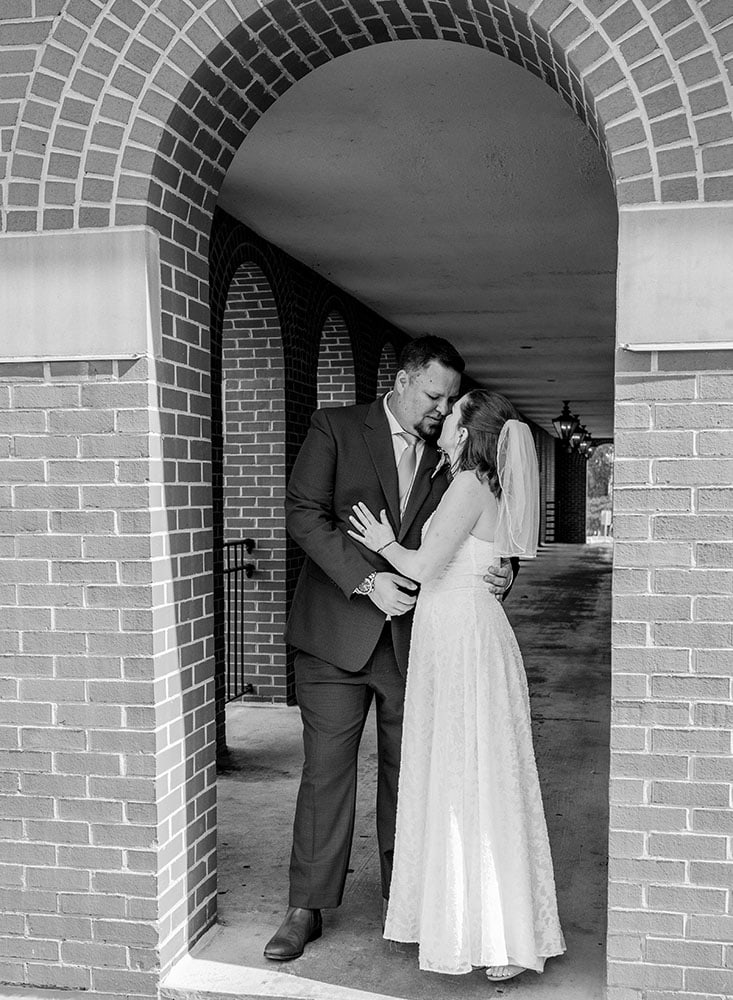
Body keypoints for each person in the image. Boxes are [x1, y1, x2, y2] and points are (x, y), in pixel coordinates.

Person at [263, 338, 515, 962]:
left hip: (418, 644)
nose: (442, 407)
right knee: (326, 774)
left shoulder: (452, 452)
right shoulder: (337, 427)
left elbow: (487, 526)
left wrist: (505, 571)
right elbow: (304, 513)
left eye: (450, 399)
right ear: (402, 380)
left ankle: (406, 903)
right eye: (433, 394)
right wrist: (366, 578)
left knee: (413, 776)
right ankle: (307, 906)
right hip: (334, 636)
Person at [347, 390, 565, 982]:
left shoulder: (470, 484)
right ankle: (475, 924)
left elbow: (421, 567)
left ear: (469, 433)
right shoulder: (474, 481)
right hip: (457, 633)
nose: (443, 419)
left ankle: (493, 935)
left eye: (455, 412)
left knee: (471, 776)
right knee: (470, 774)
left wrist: (381, 541)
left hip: (463, 638)